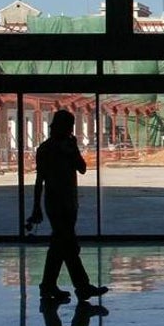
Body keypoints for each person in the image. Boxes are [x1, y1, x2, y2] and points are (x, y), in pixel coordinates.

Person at [29, 109, 108, 304]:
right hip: (56, 204)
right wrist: (36, 207)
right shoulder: (46, 150)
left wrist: (74, 151)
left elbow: (82, 168)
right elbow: (40, 180)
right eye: (69, 127)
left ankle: (48, 285)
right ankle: (82, 287)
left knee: (59, 246)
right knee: (69, 245)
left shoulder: (68, 147)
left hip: (70, 203)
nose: (70, 131)